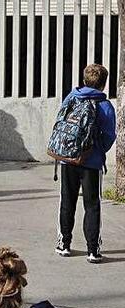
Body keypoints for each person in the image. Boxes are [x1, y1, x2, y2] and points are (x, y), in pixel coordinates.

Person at [55, 64, 115, 264]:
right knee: (92, 205)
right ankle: (92, 251)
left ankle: (64, 245)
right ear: (104, 84)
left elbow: (60, 122)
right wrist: (96, 151)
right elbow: (108, 136)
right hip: (92, 162)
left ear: (84, 80)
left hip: (68, 159)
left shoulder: (71, 98)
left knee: (67, 202)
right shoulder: (105, 106)